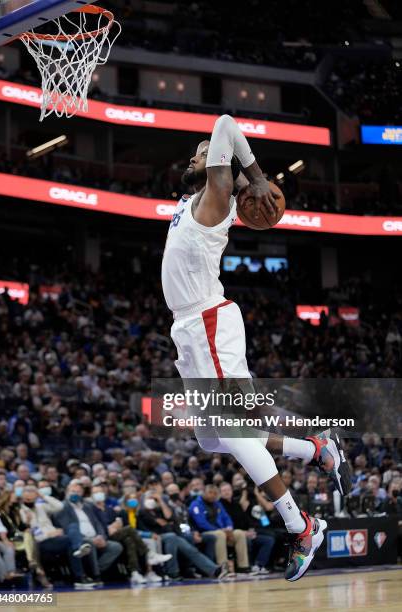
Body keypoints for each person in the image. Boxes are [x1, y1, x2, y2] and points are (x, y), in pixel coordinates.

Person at [161, 114, 351, 581]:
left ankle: (301, 524)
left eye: (204, 152)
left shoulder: (217, 196)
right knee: (214, 438)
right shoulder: (195, 199)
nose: (197, 154)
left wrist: (257, 177)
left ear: (223, 172)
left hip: (208, 321)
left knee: (237, 430)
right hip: (189, 329)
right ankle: (314, 451)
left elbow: (225, 122)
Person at [91, 484, 171, 584]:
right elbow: (98, 525)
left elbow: (119, 523)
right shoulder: (92, 509)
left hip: (116, 533)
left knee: (129, 540)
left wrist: (115, 525)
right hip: (104, 535)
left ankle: (134, 573)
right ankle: (149, 554)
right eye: (95, 493)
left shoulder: (109, 509)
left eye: (99, 492)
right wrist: (110, 527)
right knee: (129, 529)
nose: (98, 494)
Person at [137, 490, 225, 581]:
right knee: (173, 537)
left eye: (153, 499)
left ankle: (210, 570)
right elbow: (147, 527)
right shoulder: (141, 513)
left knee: (184, 542)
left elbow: (169, 517)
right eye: (149, 498)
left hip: (170, 535)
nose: (151, 500)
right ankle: (174, 572)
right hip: (153, 537)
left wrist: (160, 500)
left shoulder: (159, 510)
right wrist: (158, 525)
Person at [19, 485, 91, 589]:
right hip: (41, 542)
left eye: (32, 497)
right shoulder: (22, 511)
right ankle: (80, 576)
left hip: (55, 537)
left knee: (73, 527)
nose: (29, 500)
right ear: (23, 497)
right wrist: (48, 534)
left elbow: (59, 506)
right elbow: (29, 532)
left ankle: (78, 551)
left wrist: (43, 496)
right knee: (70, 541)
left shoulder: (40, 506)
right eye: (27, 498)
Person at [54, 481, 122, 584]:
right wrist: (90, 539)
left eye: (78, 492)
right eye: (73, 491)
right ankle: (96, 575)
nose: (75, 494)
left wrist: (101, 536)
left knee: (116, 547)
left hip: (96, 537)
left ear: (82, 494)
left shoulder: (88, 506)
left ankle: (94, 570)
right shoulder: (62, 507)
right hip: (80, 539)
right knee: (88, 544)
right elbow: (68, 528)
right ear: (67, 492)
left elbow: (98, 523)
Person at [188, 484, 249, 573]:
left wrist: (229, 528)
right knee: (220, 535)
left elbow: (226, 518)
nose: (212, 495)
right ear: (204, 493)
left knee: (239, 533)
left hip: (221, 530)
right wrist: (221, 530)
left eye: (215, 493)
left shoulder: (217, 504)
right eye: (210, 493)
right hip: (204, 532)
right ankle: (223, 567)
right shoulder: (196, 504)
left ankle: (243, 566)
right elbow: (201, 523)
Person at [219, 481, 274, 574]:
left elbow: (247, 519)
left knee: (269, 539)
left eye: (228, 490)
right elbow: (226, 524)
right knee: (247, 539)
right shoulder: (220, 505)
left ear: (232, 491)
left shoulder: (236, 504)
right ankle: (249, 565)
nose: (227, 492)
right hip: (234, 533)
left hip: (249, 530)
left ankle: (258, 565)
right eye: (224, 491)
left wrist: (250, 530)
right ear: (220, 493)